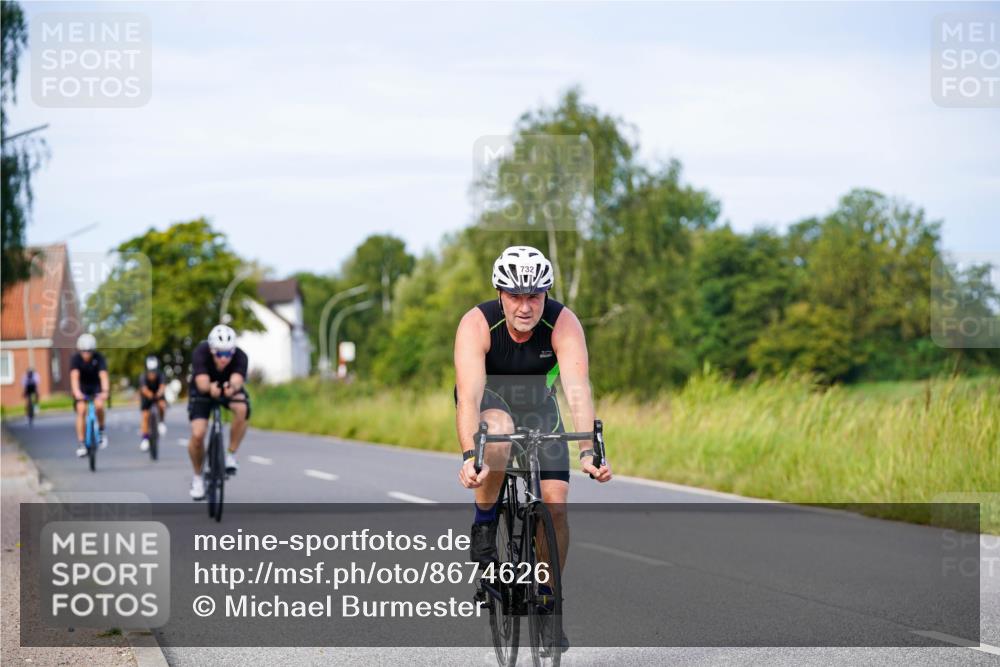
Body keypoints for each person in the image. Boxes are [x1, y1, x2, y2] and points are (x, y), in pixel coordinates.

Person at [454, 246, 612, 646]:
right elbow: (469, 396)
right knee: (501, 430)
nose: (525, 307)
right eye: (515, 296)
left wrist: (589, 454)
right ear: (500, 294)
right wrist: (471, 457)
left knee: (555, 503)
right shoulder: (477, 324)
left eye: (535, 296)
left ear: (546, 294)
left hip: (540, 406)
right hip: (492, 403)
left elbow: (576, 389)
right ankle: (485, 522)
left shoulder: (563, 323)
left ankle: (547, 598)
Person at [186, 324, 251, 500]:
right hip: (203, 391)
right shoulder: (201, 352)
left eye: (228, 353)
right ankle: (197, 477)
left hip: (227, 389)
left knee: (242, 408)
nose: (224, 358)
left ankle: (231, 454)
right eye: (220, 353)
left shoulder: (240, 356)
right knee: (198, 434)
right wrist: (209, 388)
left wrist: (232, 387)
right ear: (212, 350)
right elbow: (202, 383)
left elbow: (237, 379)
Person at [70, 333, 110, 457]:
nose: (86, 354)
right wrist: (77, 392)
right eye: (84, 351)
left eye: (89, 351)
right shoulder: (75, 359)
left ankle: (101, 431)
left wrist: (105, 391)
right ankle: (81, 443)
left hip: (95, 387)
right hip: (82, 389)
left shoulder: (99, 358)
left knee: (99, 406)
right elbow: (74, 377)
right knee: (81, 410)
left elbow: (103, 376)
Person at [138, 355, 168, 451]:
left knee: (162, 405)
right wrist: (149, 395)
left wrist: (159, 394)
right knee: (145, 416)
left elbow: (162, 386)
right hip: (147, 396)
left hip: (158, 394)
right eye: (150, 371)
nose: (152, 374)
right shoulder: (143, 376)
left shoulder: (161, 375)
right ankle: (145, 439)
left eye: (154, 371)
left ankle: (161, 422)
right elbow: (144, 389)